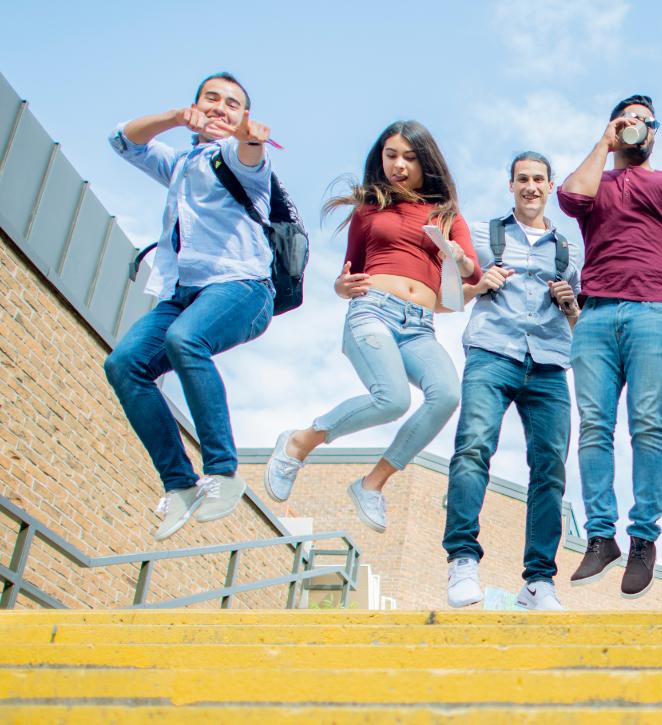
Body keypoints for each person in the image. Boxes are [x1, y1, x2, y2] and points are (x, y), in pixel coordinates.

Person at [264, 121, 480, 533]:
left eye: (410, 158)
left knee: (447, 394)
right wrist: (340, 286)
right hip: (372, 312)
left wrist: (456, 255)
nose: (399, 165)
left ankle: (371, 484)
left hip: (420, 326)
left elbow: (470, 273)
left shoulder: (447, 216)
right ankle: (299, 443)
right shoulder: (369, 209)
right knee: (393, 399)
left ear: (426, 162)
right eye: (391, 155)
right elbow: (350, 273)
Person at [106, 72, 277, 541]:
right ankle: (180, 484)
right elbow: (123, 141)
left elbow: (249, 154)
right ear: (195, 108)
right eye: (211, 100)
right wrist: (172, 117)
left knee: (186, 339)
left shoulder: (235, 158)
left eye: (234, 104)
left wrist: (249, 138)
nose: (221, 108)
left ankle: (223, 472)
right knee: (125, 364)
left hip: (242, 287)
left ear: (244, 116)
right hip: (183, 292)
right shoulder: (180, 162)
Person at [558, 94, 662, 598]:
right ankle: (602, 537)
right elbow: (570, 200)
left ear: (657, 133)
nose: (638, 127)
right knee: (595, 425)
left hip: (651, 312)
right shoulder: (593, 181)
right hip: (594, 314)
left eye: (647, 121)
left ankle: (643, 538)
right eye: (629, 121)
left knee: (647, 421)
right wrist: (606, 139)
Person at [441, 151, 582, 611]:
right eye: (523, 179)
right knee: (474, 446)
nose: (531, 187)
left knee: (550, 470)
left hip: (548, 362)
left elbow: (582, 325)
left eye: (539, 179)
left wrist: (570, 304)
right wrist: (480, 285)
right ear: (511, 185)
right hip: (492, 352)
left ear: (550, 184)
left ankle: (538, 581)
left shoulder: (570, 249)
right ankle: (462, 558)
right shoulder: (484, 235)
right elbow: (448, 296)